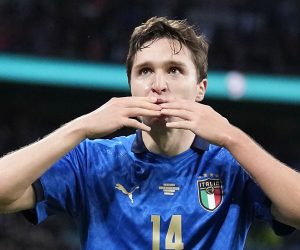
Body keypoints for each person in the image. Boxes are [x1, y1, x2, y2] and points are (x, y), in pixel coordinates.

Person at [0, 16, 299, 249]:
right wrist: (82, 126)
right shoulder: (90, 160)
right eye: (144, 71)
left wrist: (232, 137)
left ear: (200, 90)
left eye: (174, 70)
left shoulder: (233, 166)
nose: (158, 84)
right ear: (130, 86)